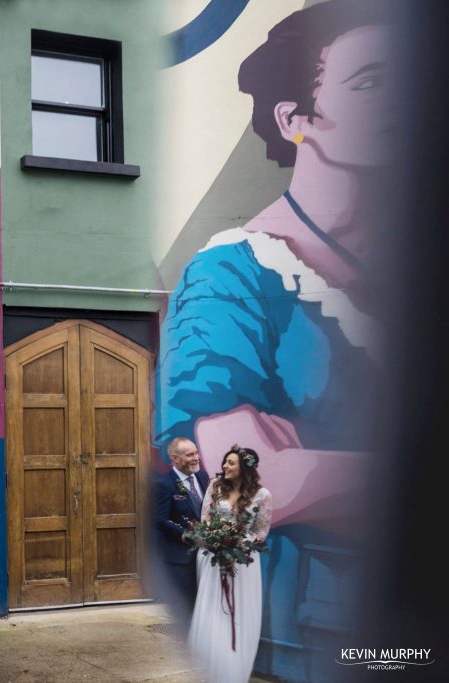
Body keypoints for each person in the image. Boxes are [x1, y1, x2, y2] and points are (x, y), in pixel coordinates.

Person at [157, 0, 391, 540]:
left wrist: (325, 467)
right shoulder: (229, 274)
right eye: (370, 82)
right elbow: (253, 490)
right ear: (294, 119)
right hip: (317, 603)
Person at [189, 446, 272, 683]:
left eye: (231, 463)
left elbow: (260, 532)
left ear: (244, 468)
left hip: (244, 562)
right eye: (225, 461)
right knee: (212, 609)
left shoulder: (262, 495)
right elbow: (205, 519)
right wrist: (216, 542)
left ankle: (234, 670)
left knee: (238, 612)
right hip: (213, 557)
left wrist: (238, 546)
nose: (225, 466)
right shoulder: (215, 486)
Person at [152, 437, 210, 626]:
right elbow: (159, 519)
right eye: (190, 454)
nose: (196, 458)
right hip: (179, 559)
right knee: (183, 607)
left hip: (204, 556)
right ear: (174, 458)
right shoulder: (164, 484)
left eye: (196, 452)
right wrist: (186, 535)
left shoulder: (203, 477)